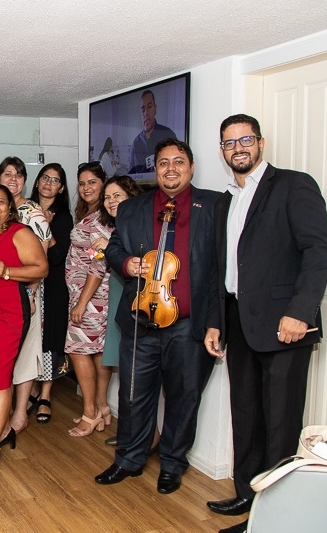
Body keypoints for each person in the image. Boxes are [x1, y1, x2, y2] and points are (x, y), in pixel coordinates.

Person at [205, 115, 327, 533]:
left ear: (260, 143)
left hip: (284, 325)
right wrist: (215, 323)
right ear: (222, 151)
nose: (237, 148)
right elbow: (222, 268)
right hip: (238, 321)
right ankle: (247, 494)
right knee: (245, 415)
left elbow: (317, 250)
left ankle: (274, 516)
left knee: (280, 423)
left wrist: (301, 312)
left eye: (245, 139)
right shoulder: (226, 200)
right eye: (229, 143)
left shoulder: (294, 185)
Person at [97, 139, 220, 495]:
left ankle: (172, 463)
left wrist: (216, 321)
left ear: (191, 167)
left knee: (184, 396)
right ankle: (129, 459)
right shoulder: (132, 207)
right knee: (133, 395)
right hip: (141, 319)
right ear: (155, 169)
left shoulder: (214, 205)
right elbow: (114, 247)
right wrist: (126, 263)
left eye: (178, 162)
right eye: (163, 162)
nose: (170, 169)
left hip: (188, 324)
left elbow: (221, 269)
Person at [0, 184, 48, 477]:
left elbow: (41, 268)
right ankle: (2, 427)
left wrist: (7, 271)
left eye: (0, 202)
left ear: (10, 207)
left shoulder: (19, 232)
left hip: (7, 314)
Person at [0, 156, 50, 434]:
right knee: (3, 356)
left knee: (26, 353)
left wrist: (31, 292)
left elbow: (42, 258)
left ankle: (19, 414)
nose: (13, 179)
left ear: (25, 181)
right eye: (7, 174)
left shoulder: (31, 211)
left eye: (18, 175)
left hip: (25, 292)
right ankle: (0, 414)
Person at [95, 175, 146, 448]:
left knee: (138, 376)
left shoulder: (139, 223)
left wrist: (108, 250)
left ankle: (144, 436)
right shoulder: (118, 226)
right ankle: (132, 434)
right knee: (128, 374)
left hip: (139, 302)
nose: (110, 201)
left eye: (117, 195)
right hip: (120, 297)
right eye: (107, 197)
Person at [63, 161, 113, 438]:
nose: (86, 188)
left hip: (92, 298)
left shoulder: (101, 219)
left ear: (103, 183)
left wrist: (82, 303)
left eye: (92, 182)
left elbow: (99, 263)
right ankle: (101, 409)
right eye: (82, 183)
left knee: (76, 350)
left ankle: (90, 413)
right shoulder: (92, 214)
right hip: (89, 295)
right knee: (96, 352)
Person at [29, 163, 73, 423]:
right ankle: (31, 389)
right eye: (45, 178)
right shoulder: (24, 210)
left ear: (62, 188)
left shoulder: (64, 218)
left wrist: (46, 226)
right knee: (29, 338)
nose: (48, 183)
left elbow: (57, 257)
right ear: (37, 182)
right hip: (27, 282)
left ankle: (45, 395)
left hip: (52, 286)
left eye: (55, 180)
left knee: (50, 340)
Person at [128, 90, 178, 174]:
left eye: (149, 107)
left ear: (155, 109)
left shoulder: (168, 135)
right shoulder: (135, 144)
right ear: (140, 115)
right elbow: (131, 173)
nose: (146, 113)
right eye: (143, 110)